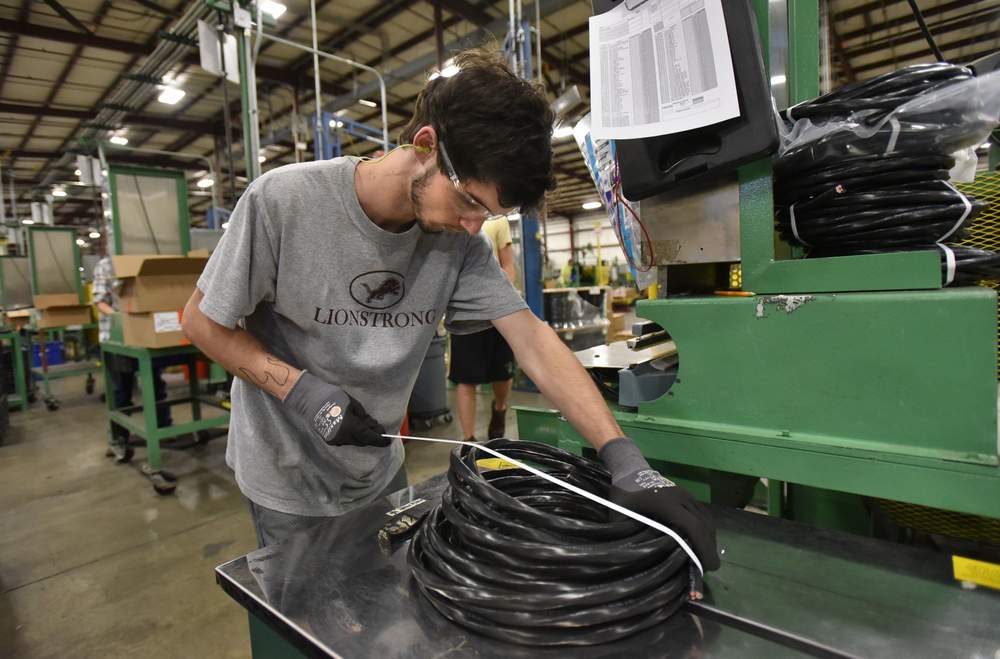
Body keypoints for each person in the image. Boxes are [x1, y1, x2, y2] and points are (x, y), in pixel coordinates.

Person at [180, 48, 719, 571]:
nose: (472, 225)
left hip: (380, 470)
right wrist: (299, 391)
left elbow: (531, 339)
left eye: (488, 214)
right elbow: (201, 320)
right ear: (425, 144)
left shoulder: (459, 245)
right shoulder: (284, 202)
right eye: (468, 201)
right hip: (287, 479)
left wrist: (624, 459)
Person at [92, 254, 171, 460]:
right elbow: (99, 301)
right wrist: (121, 320)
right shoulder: (106, 265)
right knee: (121, 390)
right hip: (117, 338)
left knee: (155, 385)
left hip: (145, 337)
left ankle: (164, 428)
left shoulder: (145, 261)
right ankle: (120, 438)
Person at [448, 215, 516, 441]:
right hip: (464, 314)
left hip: (498, 313)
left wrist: (504, 300)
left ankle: (500, 408)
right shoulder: (452, 217)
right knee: (465, 378)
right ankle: (468, 439)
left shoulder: (498, 221)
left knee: (502, 373)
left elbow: (507, 264)